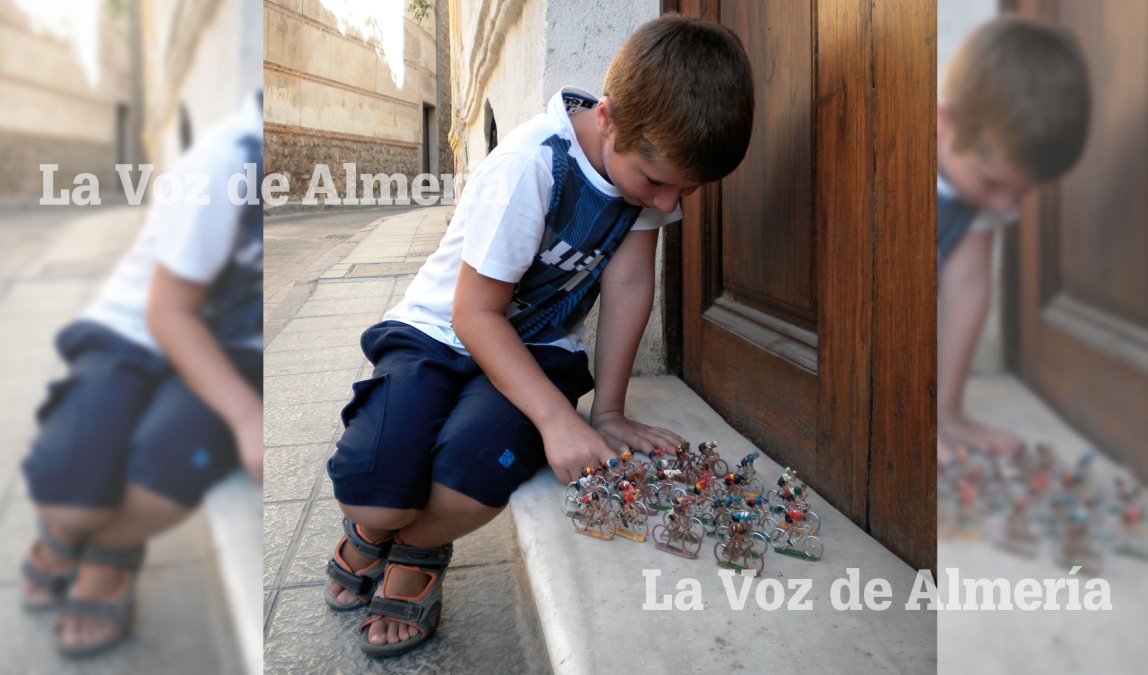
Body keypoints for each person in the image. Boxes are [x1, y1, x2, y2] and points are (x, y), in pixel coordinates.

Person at [322, 14, 755, 657]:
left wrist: (605, 411)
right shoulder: (532, 164)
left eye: (688, 188)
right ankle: (372, 529)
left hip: (538, 349)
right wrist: (558, 421)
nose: (670, 204)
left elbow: (630, 286)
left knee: (468, 480)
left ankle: (416, 548)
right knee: (380, 495)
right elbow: (475, 317)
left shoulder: (652, 166)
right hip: (440, 334)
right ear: (607, 118)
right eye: (659, 183)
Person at [19, 93, 264, 657]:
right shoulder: (228, 159)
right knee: (71, 499)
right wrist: (247, 417)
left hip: (234, 346)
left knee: (168, 463)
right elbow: (167, 312)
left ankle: (108, 555)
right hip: (134, 331)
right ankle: (65, 532)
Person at [937, 16, 1090, 454]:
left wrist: (945, 413)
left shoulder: (984, 185)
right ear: (942, 121)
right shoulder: (895, 157)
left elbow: (968, 287)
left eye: (1023, 191)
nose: (1007, 206)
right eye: (993, 183)